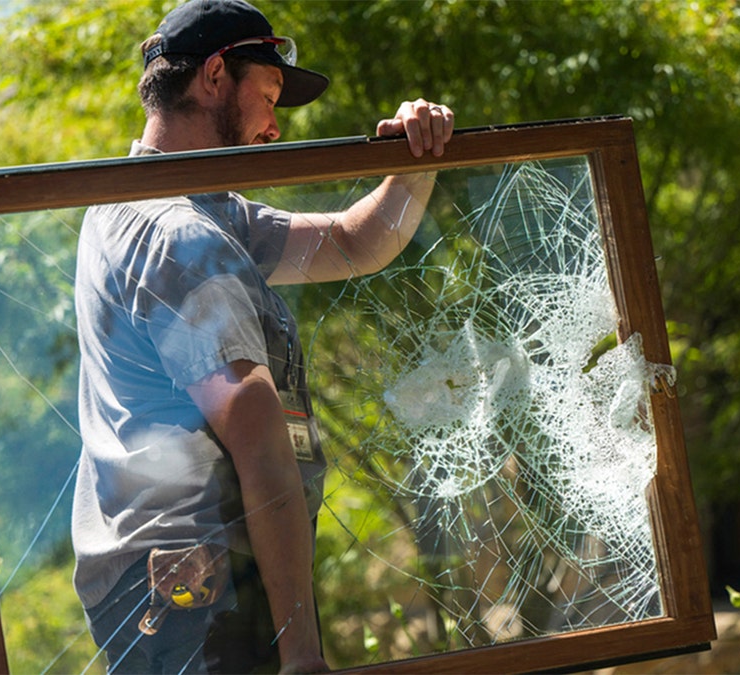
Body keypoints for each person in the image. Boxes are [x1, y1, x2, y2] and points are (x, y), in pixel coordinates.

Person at [69, 0, 454, 672]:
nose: (275, 128)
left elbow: (355, 243)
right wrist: (302, 652)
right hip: (194, 584)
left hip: (175, 581)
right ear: (215, 76)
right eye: (268, 96)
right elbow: (253, 418)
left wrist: (415, 157)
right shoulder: (179, 234)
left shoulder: (178, 205)